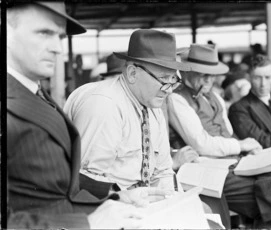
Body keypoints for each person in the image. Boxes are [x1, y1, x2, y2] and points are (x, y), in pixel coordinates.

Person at [6, 2, 169, 229]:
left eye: (60, 37)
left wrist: (115, 197)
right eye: (43, 32)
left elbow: (59, 187)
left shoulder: (34, 93)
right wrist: (88, 223)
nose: (57, 48)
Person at [167, 44, 271, 228]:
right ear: (187, 72)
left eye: (212, 74)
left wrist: (248, 153)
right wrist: (241, 146)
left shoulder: (215, 98)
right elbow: (202, 144)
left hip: (233, 165)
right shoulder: (176, 98)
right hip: (209, 169)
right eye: (203, 74)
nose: (209, 80)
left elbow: (229, 134)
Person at [64, 29, 191, 192]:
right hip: (109, 206)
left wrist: (176, 202)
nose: (169, 90)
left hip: (143, 202)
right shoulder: (104, 105)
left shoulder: (152, 105)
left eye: (173, 79)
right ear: (132, 73)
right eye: (163, 79)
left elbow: (163, 171)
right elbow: (86, 182)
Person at [229, 54, 271, 163]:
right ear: (249, 77)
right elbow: (262, 141)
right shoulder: (238, 109)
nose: (263, 84)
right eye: (257, 78)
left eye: (267, 77)